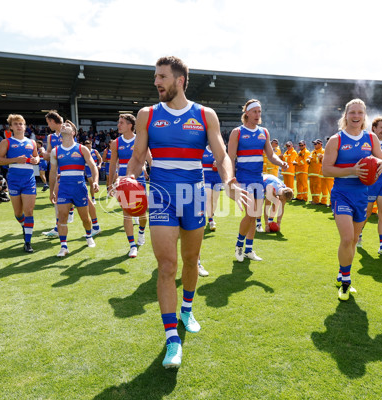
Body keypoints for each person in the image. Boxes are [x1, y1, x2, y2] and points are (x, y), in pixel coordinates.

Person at [124, 56, 247, 369]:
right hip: (161, 196)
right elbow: (138, 157)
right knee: (167, 265)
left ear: (179, 80)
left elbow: (221, 156)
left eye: (162, 77)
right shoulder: (147, 114)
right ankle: (171, 339)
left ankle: (187, 310)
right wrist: (128, 177)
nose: (156, 82)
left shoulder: (205, 115)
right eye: (155, 77)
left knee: (191, 260)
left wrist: (229, 181)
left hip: (193, 195)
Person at [322, 99, 382, 301]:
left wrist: (381, 163)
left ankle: (342, 272)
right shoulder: (336, 139)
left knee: (353, 240)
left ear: (364, 116)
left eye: (360, 112)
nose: (356, 116)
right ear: (346, 115)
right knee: (346, 238)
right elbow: (326, 170)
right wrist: (352, 170)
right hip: (342, 193)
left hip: (362, 194)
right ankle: (346, 282)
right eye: (352, 112)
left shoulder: (371, 138)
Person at [228, 99, 288, 261]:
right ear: (246, 113)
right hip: (243, 180)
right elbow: (230, 157)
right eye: (255, 111)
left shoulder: (264, 132)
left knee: (254, 217)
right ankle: (239, 246)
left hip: (258, 179)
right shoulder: (237, 132)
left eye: (260, 112)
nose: (258, 115)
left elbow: (270, 155)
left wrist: (281, 162)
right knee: (250, 213)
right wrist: (232, 179)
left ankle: (249, 250)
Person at [49, 121, 99, 257]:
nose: (64, 126)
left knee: (85, 218)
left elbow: (93, 166)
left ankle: (89, 236)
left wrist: (95, 181)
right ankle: (63, 247)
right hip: (64, 188)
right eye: (63, 125)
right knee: (62, 217)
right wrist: (51, 191)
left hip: (79, 187)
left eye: (68, 126)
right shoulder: (55, 151)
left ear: (73, 132)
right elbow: (52, 172)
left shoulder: (82, 149)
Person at [0, 114, 40, 253]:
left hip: (29, 179)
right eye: (16, 124)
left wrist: (36, 160)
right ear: (11, 127)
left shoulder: (31, 142)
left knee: (29, 211)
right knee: (18, 212)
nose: (19, 126)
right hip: (14, 179)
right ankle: (24, 226)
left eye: (21, 123)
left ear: (25, 126)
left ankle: (27, 242)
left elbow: (36, 156)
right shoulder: (6, 142)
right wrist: (15, 159)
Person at [108, 113, 151, 258]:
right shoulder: (116, 143)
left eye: (121, 123)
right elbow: (113, 164)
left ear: (129, 125)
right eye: (118, 122)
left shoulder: (140, 140)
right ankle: (132, 245)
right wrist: (110, 184)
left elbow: (150, 159)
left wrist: (152, 173)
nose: (118, 125)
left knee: (142, 213)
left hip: (138, 180)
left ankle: (141, 232)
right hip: (123, 182)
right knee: (127, 214)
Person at [357, 117, 382, 257]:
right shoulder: (365, 142)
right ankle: (359, 235)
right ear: (374, 128)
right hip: (370, 183)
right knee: (366, 213)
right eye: (381, 127)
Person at [83, 139, 103, 237]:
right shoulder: (83, 151)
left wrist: (99, 164)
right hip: (87, 168)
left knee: (92, 183)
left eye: (89, 144)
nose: (88, 146)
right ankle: (93, 198)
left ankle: (93, 198)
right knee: (91, 183)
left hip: (93, 167)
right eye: (86, 144)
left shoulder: (95, 151)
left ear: (91, 144)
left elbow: (100, 158)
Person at [202, 144, 223, 231]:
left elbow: (226, 162)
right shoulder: (203, 150)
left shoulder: (220, 149)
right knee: (208, 198)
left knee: (214, 199)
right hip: (206, 178)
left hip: (217, 178)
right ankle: (211, 220)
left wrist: (218, 163)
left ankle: (211, 214)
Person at [308, 139, 324, 205]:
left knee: (317, 187)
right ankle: (313, 199)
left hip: (317, 172)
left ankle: (317, 200)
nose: (314, 145)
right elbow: (309, 157)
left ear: (320, 144)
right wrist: (308, 160)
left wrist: (312, 159)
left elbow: (320, 161)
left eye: (316, 144)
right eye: (314, 144)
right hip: (311, 172)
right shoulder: (313, 151)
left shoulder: (323, 151)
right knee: (312, 187)